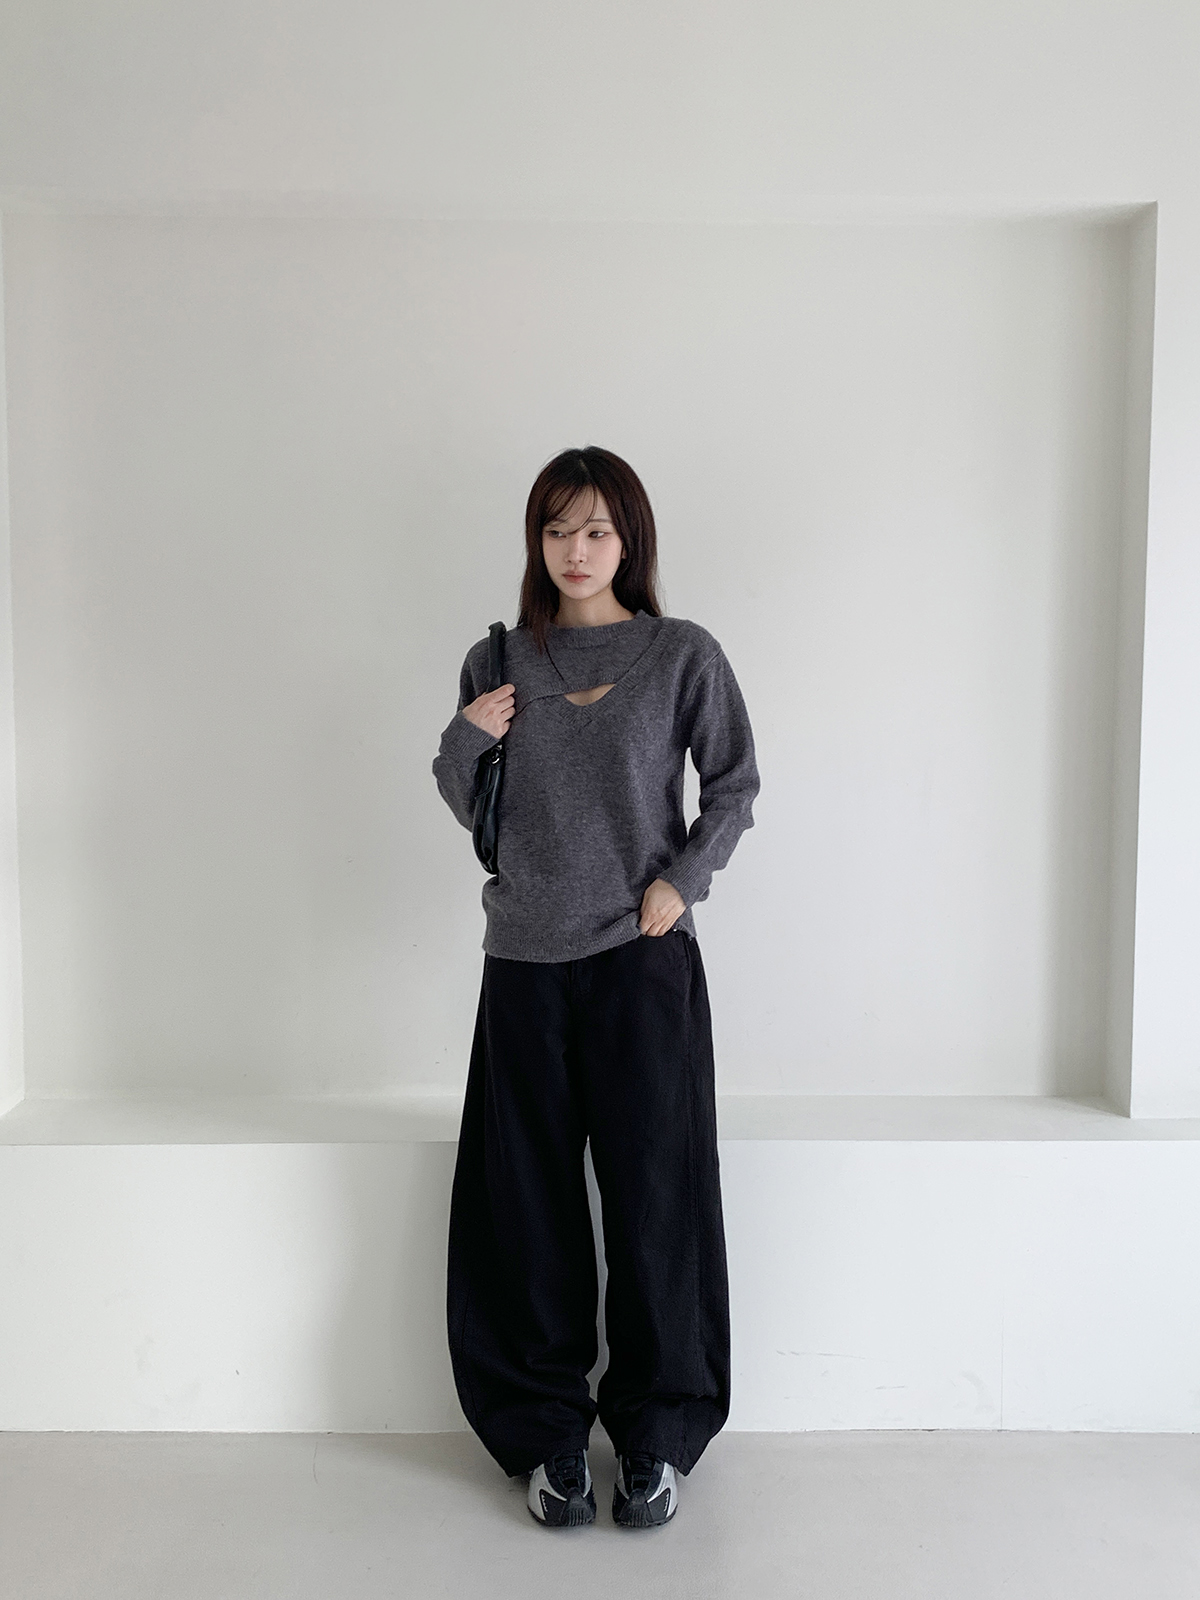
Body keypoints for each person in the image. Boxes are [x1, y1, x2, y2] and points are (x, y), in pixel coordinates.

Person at [431, 445, 760, 1529]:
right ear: (537, 541)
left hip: (641, 960)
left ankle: (658, 1435)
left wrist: (682, 881)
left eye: (597, 530)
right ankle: (549, 1439)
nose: (576, 549)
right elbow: (471, 804)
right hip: (524, 961)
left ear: (629, 541)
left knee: (658, 1197)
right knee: (525, 1206)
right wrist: (463, 737)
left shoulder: (682, 653)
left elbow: (734, 783)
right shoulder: (497, 659)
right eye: (557, 529)